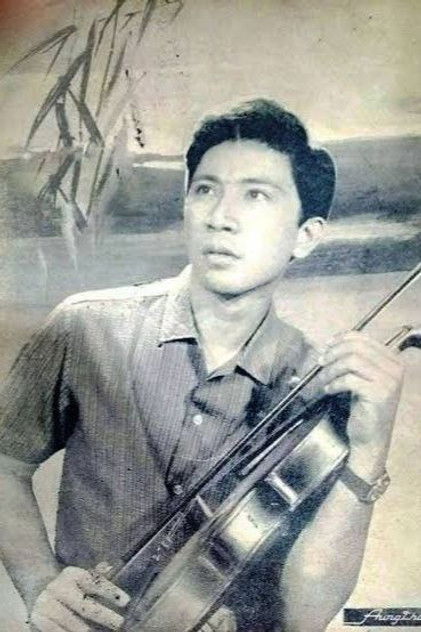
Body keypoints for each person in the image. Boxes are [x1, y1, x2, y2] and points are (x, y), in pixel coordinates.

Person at [0, 99, 404, 632]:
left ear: (306, 235)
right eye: (206, 190)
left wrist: (371, 451)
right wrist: (39, 583)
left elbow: (307, 616)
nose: (221, 218)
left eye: (256, 195)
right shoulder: (85, 325)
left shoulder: (320, 384)